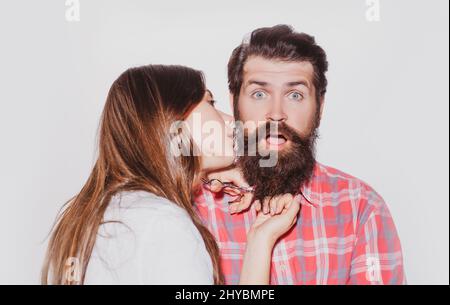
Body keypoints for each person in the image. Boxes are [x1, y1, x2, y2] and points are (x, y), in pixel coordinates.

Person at [42, 64, 299, 285]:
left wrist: (260, 239)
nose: (230, 119)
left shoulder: (98, 214)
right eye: (210, 102)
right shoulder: (162, 221)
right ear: (175, 118)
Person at [195, 25, 406, 285]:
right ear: (233, 102)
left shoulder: (361, 208)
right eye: (259, 94)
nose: (275, 113)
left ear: (320, 106)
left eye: (295, 95)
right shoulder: (193, 208)